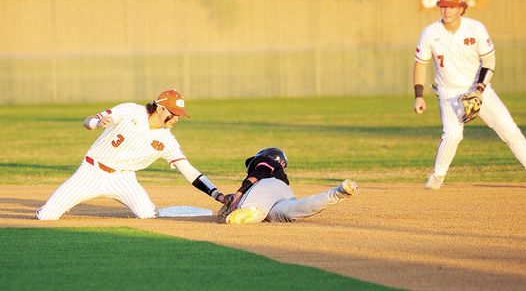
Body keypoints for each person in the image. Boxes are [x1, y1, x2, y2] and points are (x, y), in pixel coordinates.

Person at [413, 0, 526, 189]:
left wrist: (479, 90)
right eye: (443, 6)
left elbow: (489, 60)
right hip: (449, 92)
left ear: (461, 8)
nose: (446, 11)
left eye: (452, 7)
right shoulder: (430, 33)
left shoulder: (475, 28)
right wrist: (419, 96)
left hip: (479, 89)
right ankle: (437, 177)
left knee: (509, 130)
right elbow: (420, 64)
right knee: (453, 135)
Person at [36, 89, 226, 220]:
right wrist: (96, 123)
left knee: (147, 214)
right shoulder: (130, 111)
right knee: (46, 217)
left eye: (179, 115)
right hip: (92, 171)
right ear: (160, 108)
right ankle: (66, 200)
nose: (176, 118)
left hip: (123, 178)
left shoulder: (168, 141)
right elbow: (89, 120)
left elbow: (188, 171)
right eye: (173, 113)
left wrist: (217, 195)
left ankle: (177, 210)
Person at [218, 147, 359, 224]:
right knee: (290, 211)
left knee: (253, 209)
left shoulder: (265, 160)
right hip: (284, 193)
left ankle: (249, 209)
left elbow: (260, 172)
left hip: (267, 185)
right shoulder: (282, 176)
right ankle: (338, 193)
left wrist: (238, 193)